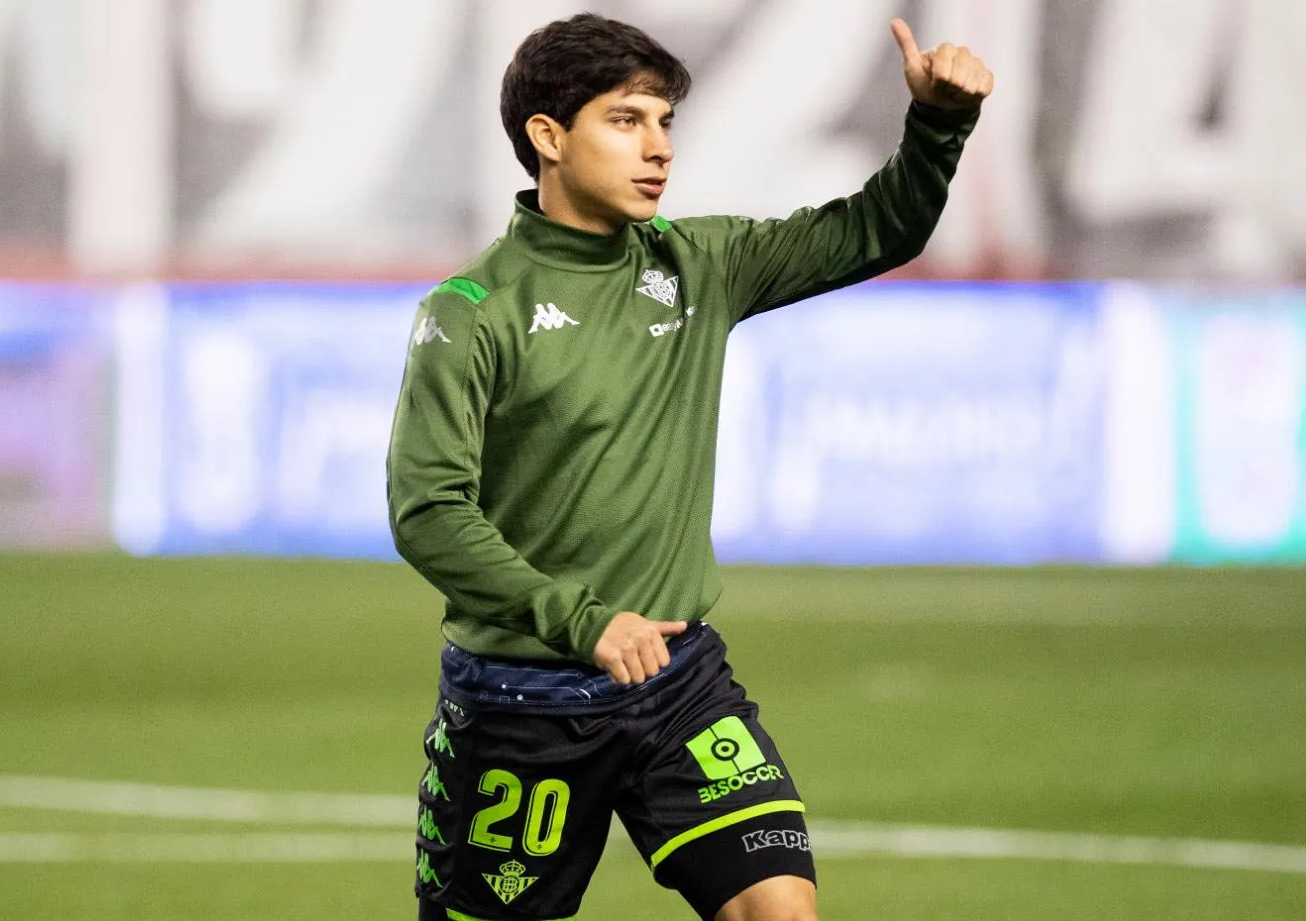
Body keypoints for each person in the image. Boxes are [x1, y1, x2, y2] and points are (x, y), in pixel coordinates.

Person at [388, 12, 991, 921]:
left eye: (665, 121)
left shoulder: (699, 263)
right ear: (547, 138)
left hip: (676, 683)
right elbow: (427, 510)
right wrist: (581, 620)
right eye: (626, 119)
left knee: (778, 910)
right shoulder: (472, 310)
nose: (658, 146)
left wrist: (937, 126)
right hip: (524, 703)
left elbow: (879, 229)